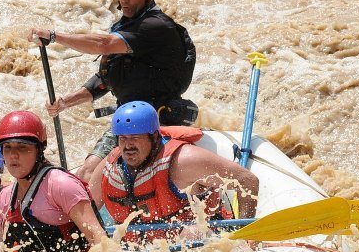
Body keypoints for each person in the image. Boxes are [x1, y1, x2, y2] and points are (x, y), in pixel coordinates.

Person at [29, 0, 198, 181]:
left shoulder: (156, 26)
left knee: (118, 176)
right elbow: (107, 78)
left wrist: (54, 36)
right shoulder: (125, 27)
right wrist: (65, 102)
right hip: (127, 119)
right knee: (87, 173)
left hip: (157, 119)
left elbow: (103, 44)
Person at [89, 102, 259, 244]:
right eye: (123, 139)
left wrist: (244, 234)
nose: (128, 146)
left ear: (154, 136)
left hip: (195, 237)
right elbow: (85, 211)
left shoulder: (184, 161)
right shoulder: (110, 168)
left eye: (135, 137)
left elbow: (247, 180)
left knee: (192, 234)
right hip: (137, 248)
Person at [0, 110, 106, 252]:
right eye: (8, 148)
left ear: (39, 150)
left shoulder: (61, 185)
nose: (13, 155)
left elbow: (101, 242)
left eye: (22, 147)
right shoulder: (5, 196)